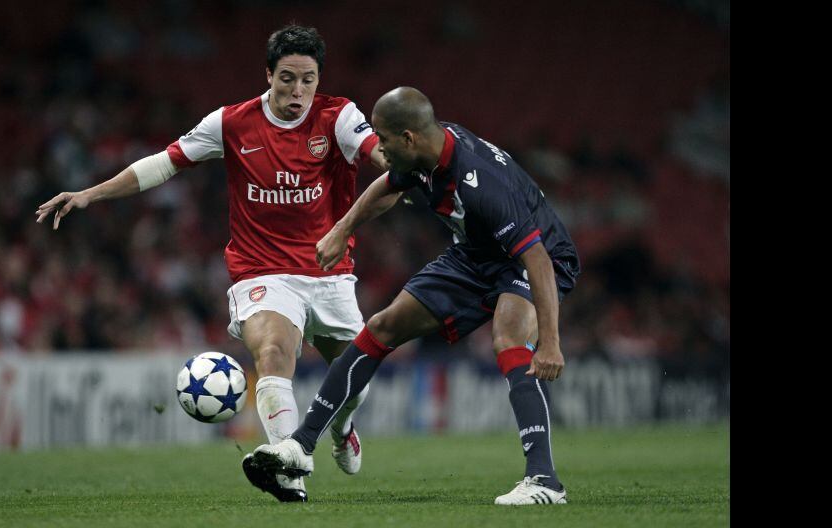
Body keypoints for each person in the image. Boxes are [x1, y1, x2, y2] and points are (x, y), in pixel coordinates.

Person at [35, 25, 389, 503]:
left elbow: (380, 158)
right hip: (261, 271)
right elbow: (163, 163)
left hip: (330, 274)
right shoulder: (232, 123)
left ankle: (342, 427)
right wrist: (90, 193)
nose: (298, 91)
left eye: (308, 79)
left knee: (352, 383)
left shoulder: (339, 116)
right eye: (287, 78)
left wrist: (398, 173)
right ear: (268, 74)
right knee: (273, 355)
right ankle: (288, 467)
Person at [247, 86, 581, 506]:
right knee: (382, 326)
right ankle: (300, 446)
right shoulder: (424, 151)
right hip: (475, 255)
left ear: (408, 138)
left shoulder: (480, 182)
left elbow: (537, 260)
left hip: (536, 258)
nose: (380, 149)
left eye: (384, 140)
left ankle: (545, 481)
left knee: (509, 337)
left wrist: (550, 342)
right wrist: (343, 228)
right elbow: (388, 184)